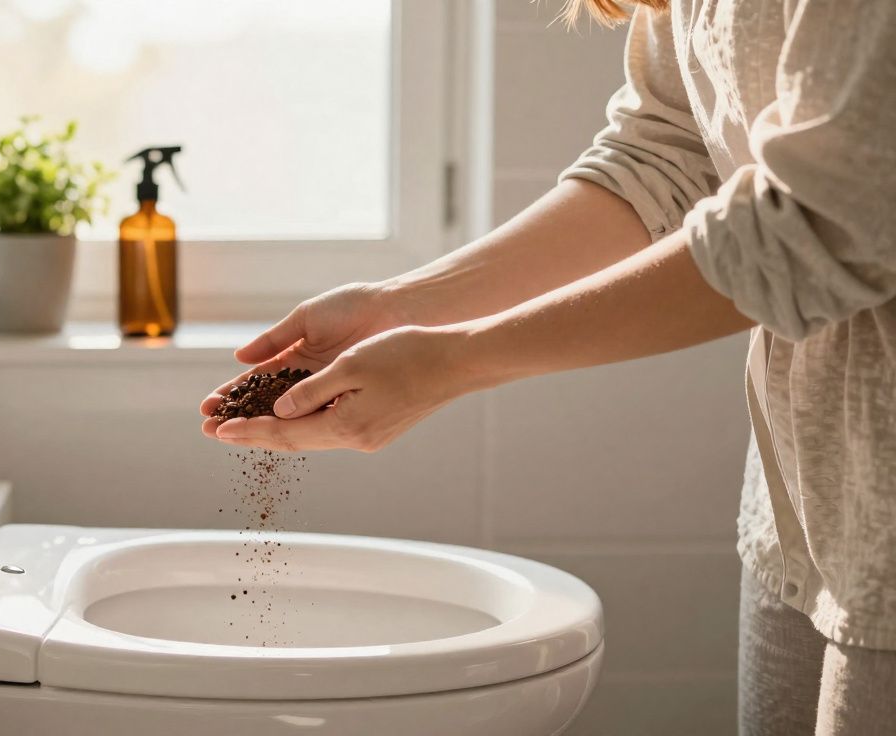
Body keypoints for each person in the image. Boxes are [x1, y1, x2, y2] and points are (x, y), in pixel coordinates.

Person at [199, 0, 896, 733]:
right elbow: (663, 152)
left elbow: (822, 215)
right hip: (802, 500)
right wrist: (408, 307)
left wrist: (456, 362)